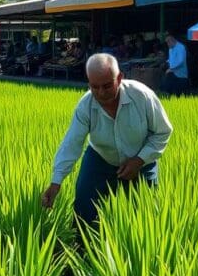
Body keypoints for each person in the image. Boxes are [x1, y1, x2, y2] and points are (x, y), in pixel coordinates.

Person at [41, 53, 173, 224]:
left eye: (107, 85)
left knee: (144, 218)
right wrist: (55, 183)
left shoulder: (142, 96)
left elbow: (163, 131)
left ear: (119, 78)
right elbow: (72, 144)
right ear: (89, 83)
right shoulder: (86, 106)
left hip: (141, 159)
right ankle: (82, 248)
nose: (101, 93)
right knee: (84, 210)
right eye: (95, 87)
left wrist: (139, 160)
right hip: (100, 159)